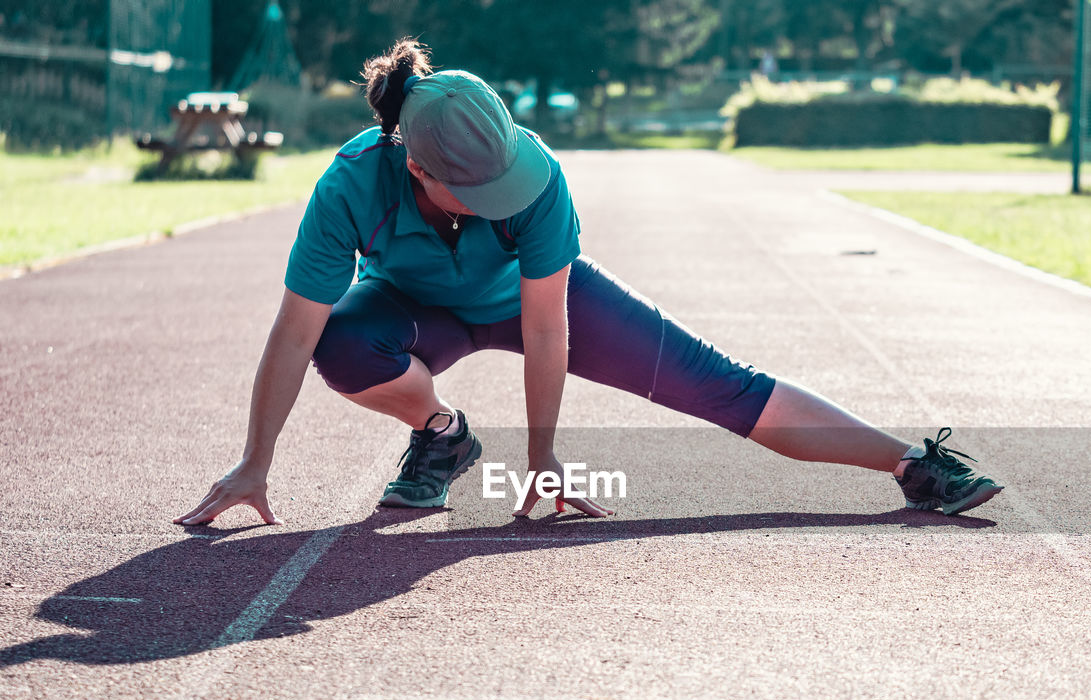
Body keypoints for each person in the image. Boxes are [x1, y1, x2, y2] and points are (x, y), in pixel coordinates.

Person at [175, 39, 1002, 527]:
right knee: (343, 342)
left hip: (533, 301)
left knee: (719, 384)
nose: (504, 194)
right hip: (417, 312)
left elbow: (545, 327)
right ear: (415, 166)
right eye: (478, 188)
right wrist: (256, 461)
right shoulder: (351, 183)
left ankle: (912, 465)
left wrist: (542, 456)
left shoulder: (535, 176)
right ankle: (441, 435)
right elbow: (293, 331)